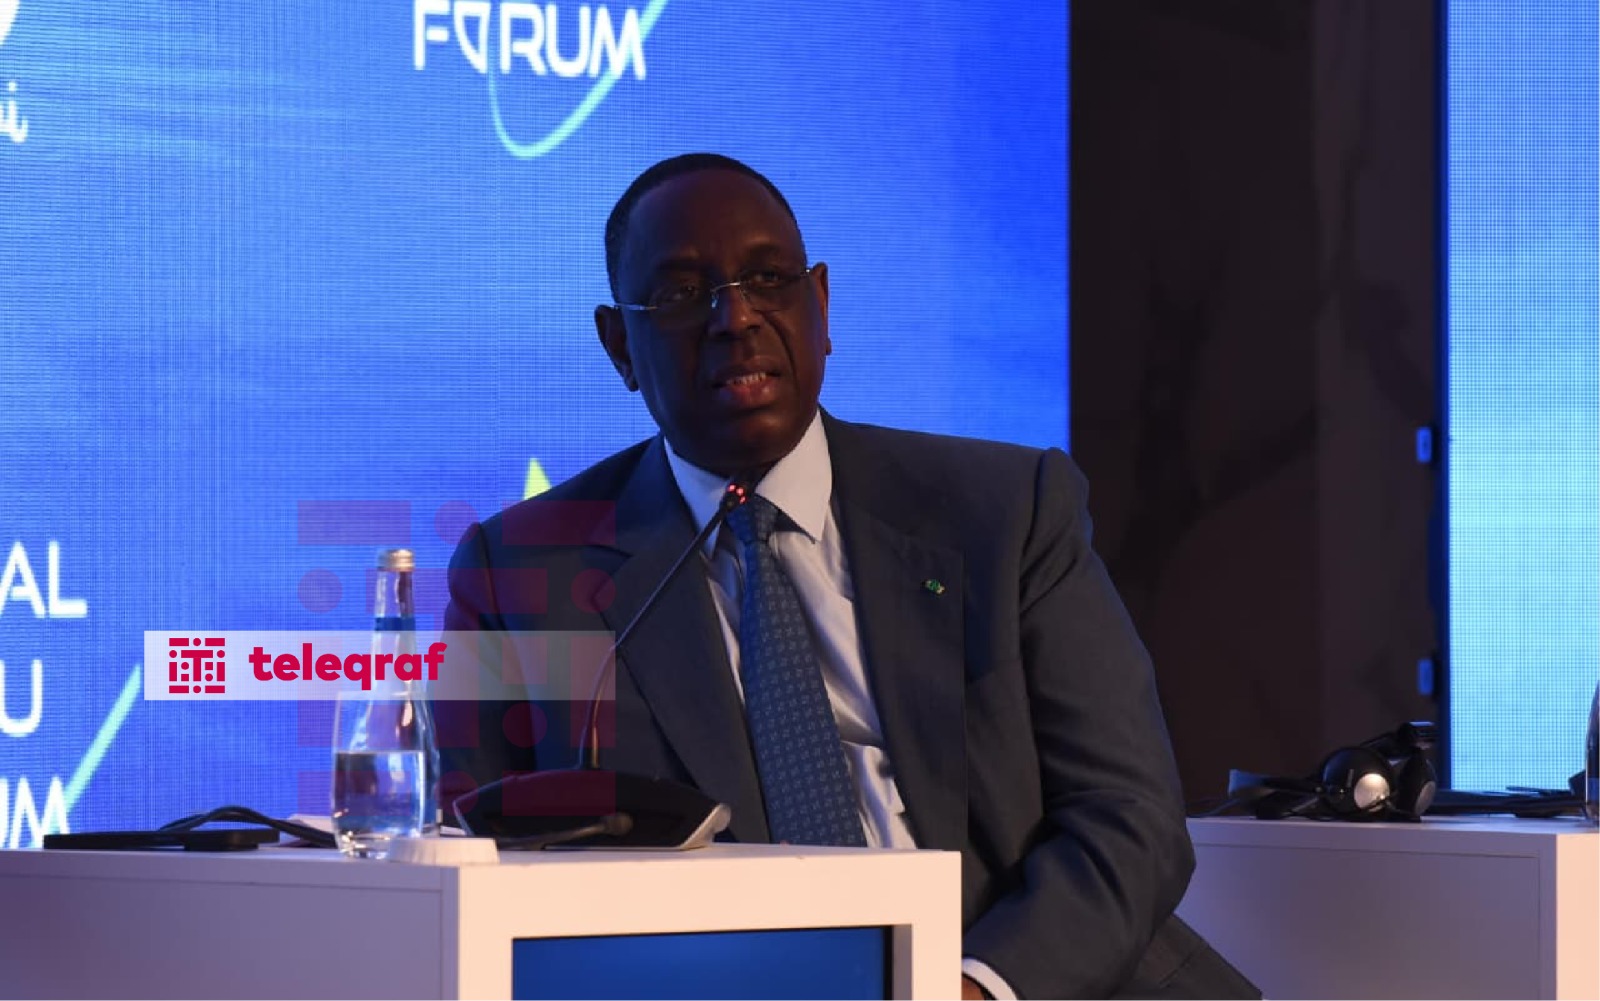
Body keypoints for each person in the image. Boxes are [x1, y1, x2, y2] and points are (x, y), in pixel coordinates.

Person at [439, 153, 1257, 999]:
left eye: (768, 279)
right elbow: (456, 862)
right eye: (684, 293)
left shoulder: (1005, 512)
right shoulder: (523, 574)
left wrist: (975, 988)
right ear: (620, 345)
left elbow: (1129, 815)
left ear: (821, 305)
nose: (736, 318)